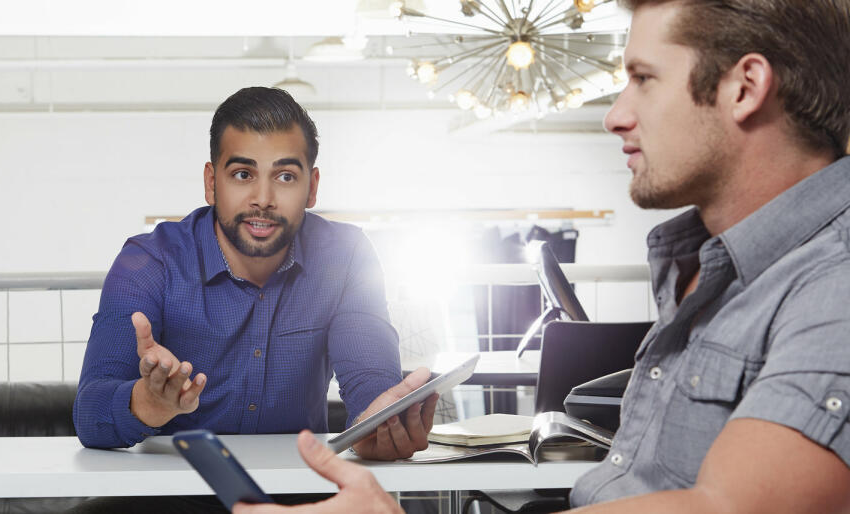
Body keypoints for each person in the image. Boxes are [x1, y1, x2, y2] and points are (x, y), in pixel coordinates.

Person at [233, 0, 850, 512]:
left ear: (745, 86)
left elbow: (725, 507)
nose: (615, 116)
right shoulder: (712, 272)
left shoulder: (835, 282)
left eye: (643, 78)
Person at [73, 86, 439, 461]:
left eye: (284, 177)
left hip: (299, 492)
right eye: (243, 173)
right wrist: (149, 403)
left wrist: (377, 420)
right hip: (173, 494)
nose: (263, 198)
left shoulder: (346, 255)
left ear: (311, 188)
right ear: (211, 183)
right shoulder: (149, 261)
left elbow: (369, 377)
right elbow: (89, 413)